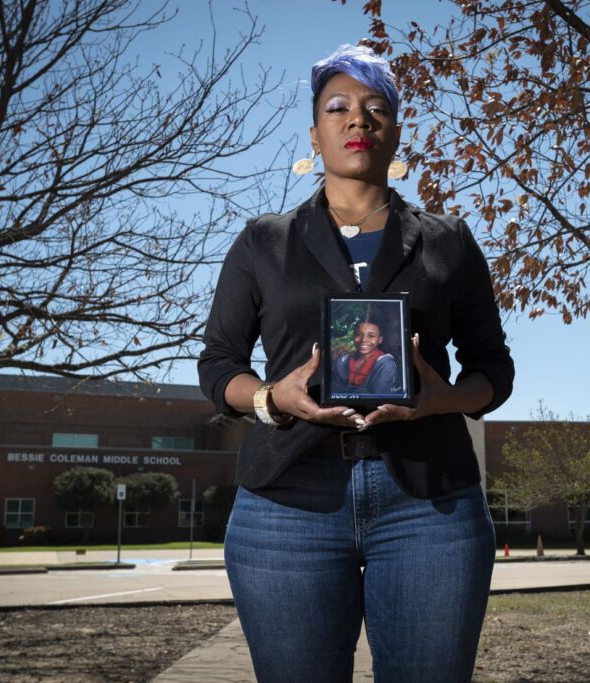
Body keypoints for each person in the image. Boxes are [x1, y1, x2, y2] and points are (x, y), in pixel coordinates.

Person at [198, 44, 514, 683]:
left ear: (395, 131)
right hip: (287, 501)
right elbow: (218, 365)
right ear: (315, 133)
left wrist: (439, 399)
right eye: (337, 107)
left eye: (376, 109)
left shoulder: (448, 239)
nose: (357, 120)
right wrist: (270, 399)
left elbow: (493, 371)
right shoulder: (264, 240)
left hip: (430, 504)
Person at [332, 319, 400, 396]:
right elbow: (334, 391)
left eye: (371, 336)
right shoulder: (343, 361)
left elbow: (379, 396)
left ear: (380, 340)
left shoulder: (386, 363)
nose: (364, 340)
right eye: (358, 334)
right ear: (353, 336)